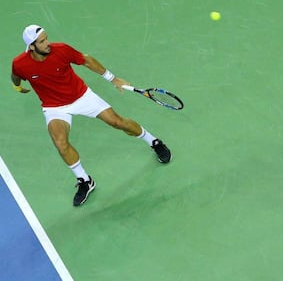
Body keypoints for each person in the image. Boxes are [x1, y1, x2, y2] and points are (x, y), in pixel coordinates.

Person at [11, 24, 172, 207]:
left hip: (82, 97)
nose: (47, 43)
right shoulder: (20, 63)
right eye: (42, 41)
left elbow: (86, 60)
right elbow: (15, 75)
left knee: (118, 122)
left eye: (46, 38)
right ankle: (85, 181)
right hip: (55, 107)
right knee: (60, 143)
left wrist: (113, 79)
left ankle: (154, 142)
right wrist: (17, 86)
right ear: (31, 46)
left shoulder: (61, 50)